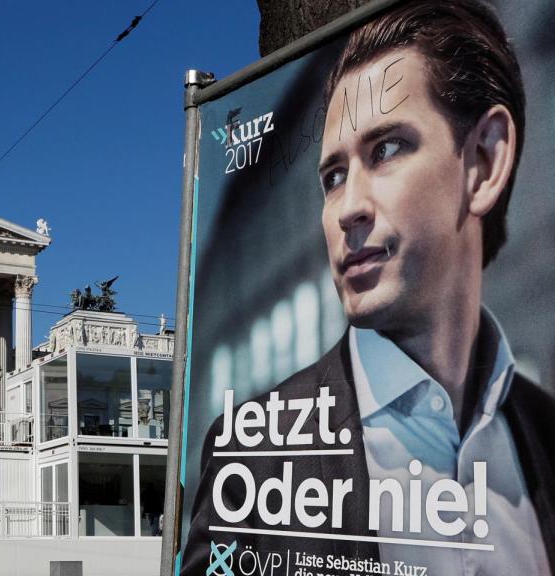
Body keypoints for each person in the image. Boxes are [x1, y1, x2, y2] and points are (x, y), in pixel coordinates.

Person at [182, 2, 554, 575]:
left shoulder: (546, 433)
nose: (347, 209)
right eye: (333, 177)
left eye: (385, 149)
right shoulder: (255, 450)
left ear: (483, 161)